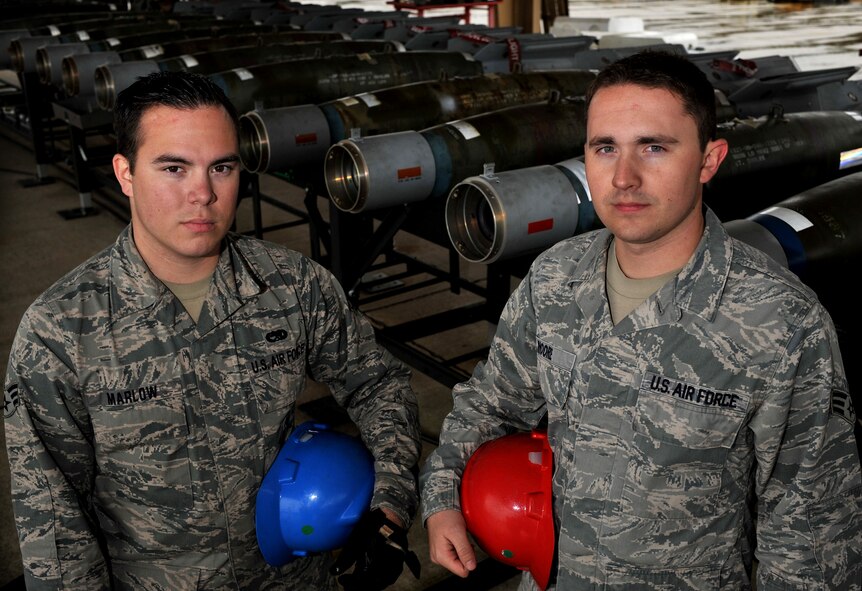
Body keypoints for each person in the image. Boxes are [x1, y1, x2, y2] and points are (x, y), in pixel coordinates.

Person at [420, 49, 862, 589]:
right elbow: (492, 399)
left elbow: (808, 535)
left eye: (654, 147)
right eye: (605, 148)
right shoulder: (556, 277)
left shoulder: (783, 325)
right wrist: (442, 495)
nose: (624, 177)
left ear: (708, 159)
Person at [4, 71, 421, 590]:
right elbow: (54, 520)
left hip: (292, 578)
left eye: (221, 167)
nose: (203, 193)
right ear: (125, 173)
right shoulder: (59, 332)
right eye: (174, 168)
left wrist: (390, 505)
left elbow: (378, 384)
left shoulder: (293, 285)